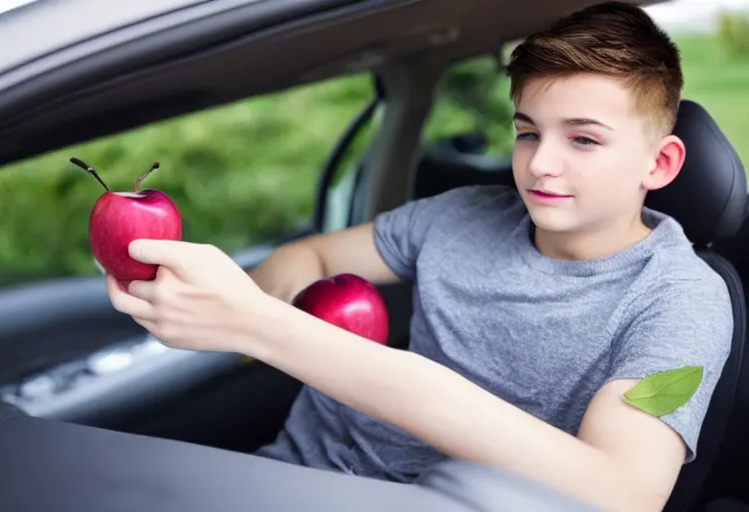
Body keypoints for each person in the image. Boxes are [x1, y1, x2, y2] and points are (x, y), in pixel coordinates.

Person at [104, 2, 733, 511]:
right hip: (280, 474)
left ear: (660, 163)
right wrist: (242, 317)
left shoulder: (680, 298)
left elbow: (623, 492)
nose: (540, 163)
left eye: (583, 139)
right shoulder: (459, 215)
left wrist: (268, 328)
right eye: (527, 131)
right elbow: (313, 255)